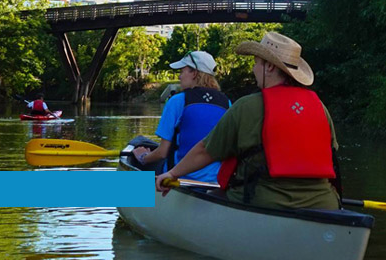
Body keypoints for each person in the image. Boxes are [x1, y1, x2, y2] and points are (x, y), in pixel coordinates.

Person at [155, 32, 340, 210]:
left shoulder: (181, 101)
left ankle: (128, 199)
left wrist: (163, 169)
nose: (253, 69)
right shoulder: (320, 107)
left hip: (256, 199)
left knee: (135, 176)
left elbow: (177, 151)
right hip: (325, 203)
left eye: (256, 63)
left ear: (269, 67)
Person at [132, 51, 230, 182]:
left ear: (194, 73)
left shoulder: (177, 101)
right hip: (214, 182)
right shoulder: (226, 103)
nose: (179, 76)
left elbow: (162, 153)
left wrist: (143, 157)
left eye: (182, 71)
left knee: (135, 147)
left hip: (179, 180)